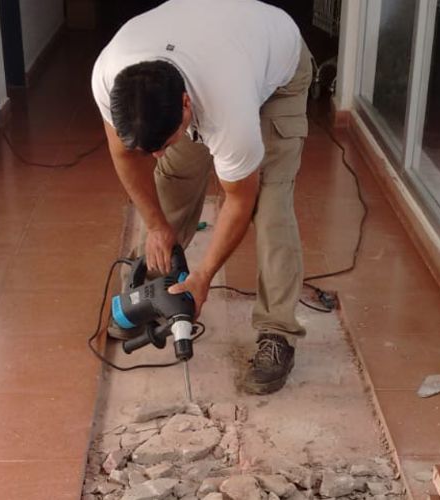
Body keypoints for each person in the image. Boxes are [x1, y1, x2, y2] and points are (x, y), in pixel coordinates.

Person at [91, 0, 312, 395]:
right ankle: (150, 291)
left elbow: (240, 201)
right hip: (215, 50)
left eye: (164, 142)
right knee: (173, 179)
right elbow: (124, 156)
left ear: (185, 106)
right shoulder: (112, 75)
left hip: (277, 66)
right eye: (150, 149)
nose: (155, 155)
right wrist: (157, 226)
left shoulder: (229, 110)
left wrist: (204, 276)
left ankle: (277, 332)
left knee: (270, 208)